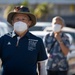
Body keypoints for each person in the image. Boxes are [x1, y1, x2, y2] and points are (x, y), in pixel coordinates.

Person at [0, 6, 47, 75]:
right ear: (12, 22)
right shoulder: (3, 39)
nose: (20, 21)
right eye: (17, 19)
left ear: (29, 23)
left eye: (23, 19)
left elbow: (42, 65)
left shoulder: (37, 41)